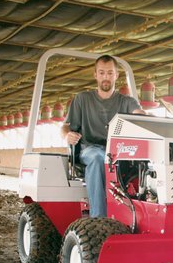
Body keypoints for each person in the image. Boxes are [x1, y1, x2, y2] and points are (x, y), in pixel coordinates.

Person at [62, 55, 145, 218]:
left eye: (109, 73)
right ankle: (99, 218)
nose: (105, 77)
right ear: (95, 75)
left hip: (119, 151)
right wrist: (67, 135)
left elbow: (138, 113)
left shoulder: (126, 101)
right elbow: (66, 126)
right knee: (99, 158)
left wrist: (142, 116)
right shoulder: (82, 99)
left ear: (116, 75)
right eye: (101, 73)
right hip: (90, 149)